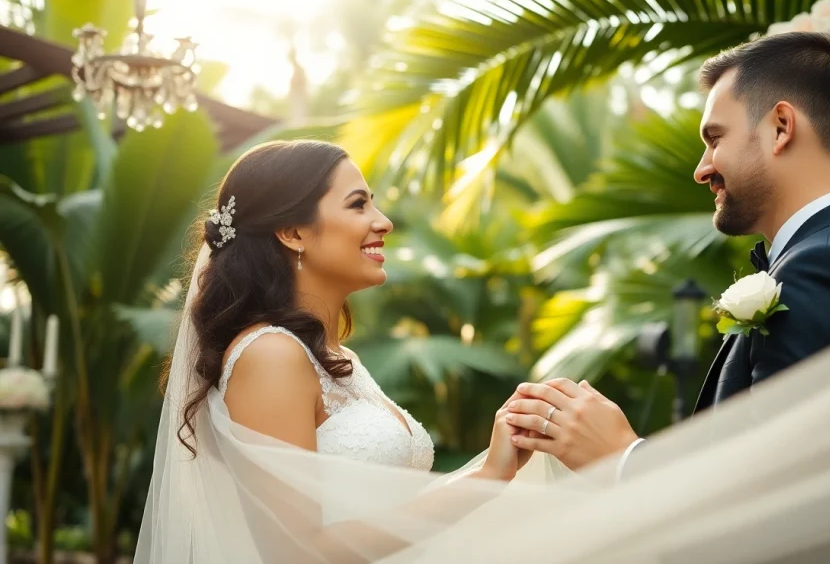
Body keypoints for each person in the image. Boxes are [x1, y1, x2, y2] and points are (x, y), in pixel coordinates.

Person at [505, 32, 830, 476]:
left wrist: (622, 457)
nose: (701, 168)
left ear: (781, 128)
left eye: (715, 138)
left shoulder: (827, 269)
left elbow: (777, 495)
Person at [134, 140, 535, 563]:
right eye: (358, 205)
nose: (383, 223)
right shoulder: (270, 356)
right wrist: (486, 478)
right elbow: (296, 552)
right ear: (292, 233)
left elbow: (388, 515)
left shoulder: (336, 357)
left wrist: (494, 462)